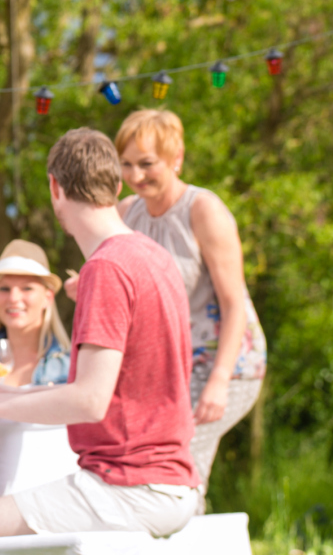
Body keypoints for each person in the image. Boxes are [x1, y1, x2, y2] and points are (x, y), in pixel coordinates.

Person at [0, 128, 198, 555]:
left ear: (56, 187)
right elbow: (119, 388)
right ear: (117, 183)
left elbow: (89, 400)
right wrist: (12, 392)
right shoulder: (153, 255)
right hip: (171, 481)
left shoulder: (105, 268)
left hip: (129, 485)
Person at [113, 109, 267, 513]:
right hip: (173, 367)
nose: (135, 175)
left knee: (178, 465)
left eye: (146, 164)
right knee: (160, 464)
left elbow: (234, 301)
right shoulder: (127, 213)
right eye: (126, 164)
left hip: (227, 362)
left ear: (176, 157)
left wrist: (218, 380)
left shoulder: (203, 210)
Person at [0, 240, 71, 387]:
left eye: (27, 288)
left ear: (48, 298)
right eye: (4, 289)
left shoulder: (72, 364)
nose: (14, 299)